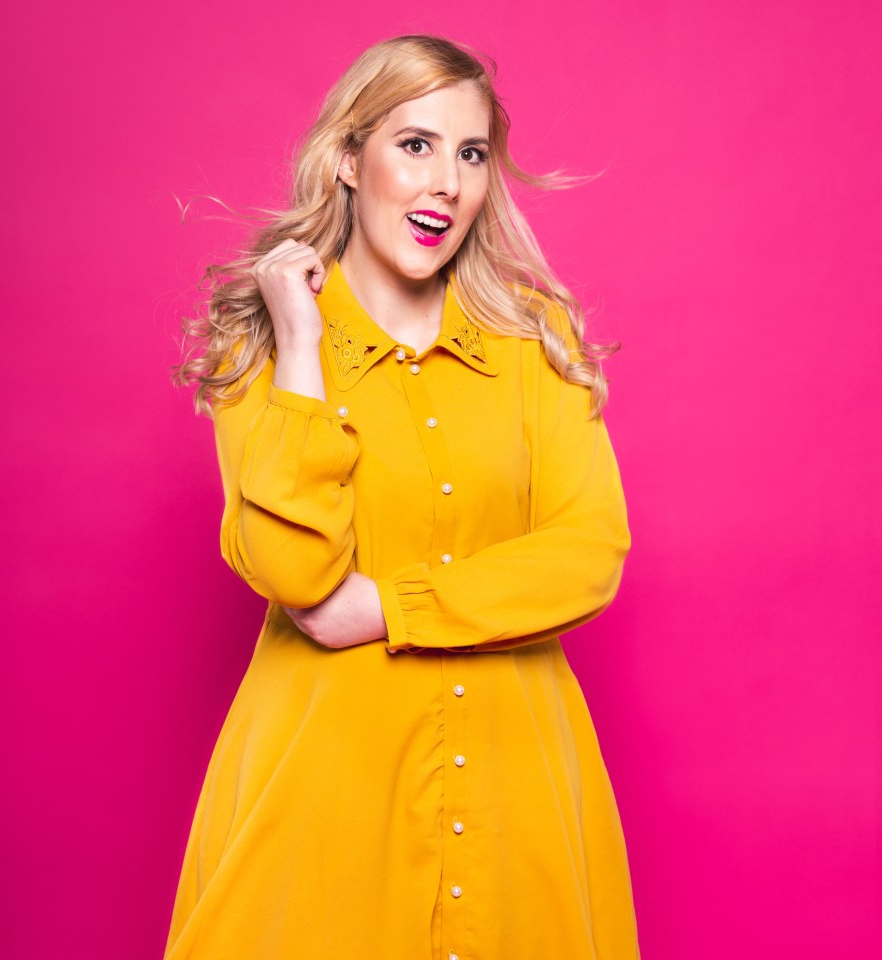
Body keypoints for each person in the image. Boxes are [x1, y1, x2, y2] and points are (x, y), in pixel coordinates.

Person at [166, 33, 639, 960]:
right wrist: (302, 350)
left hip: (521, 805)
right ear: (349, 158)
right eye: (415, 145)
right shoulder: (259, 353)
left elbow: (590, 551)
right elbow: (298, 576)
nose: (447, 185)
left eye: (469, 155)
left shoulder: (533, 341)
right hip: (323, 808)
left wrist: (390, 604)